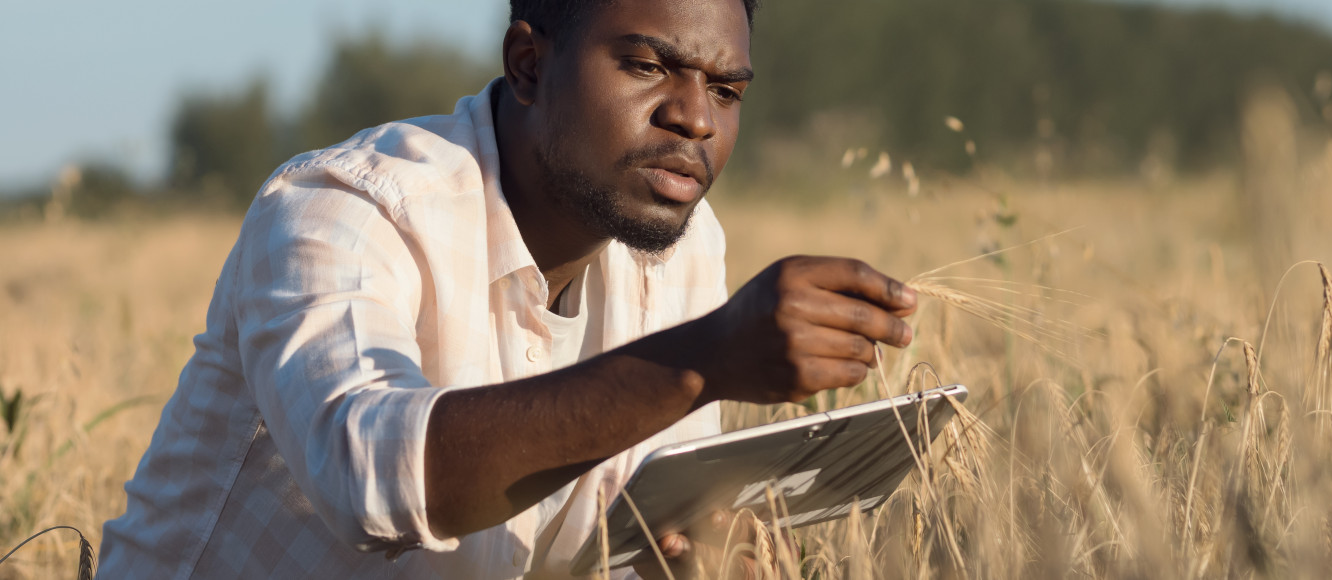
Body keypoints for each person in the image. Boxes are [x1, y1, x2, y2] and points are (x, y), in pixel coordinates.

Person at [98, 0, 917, 577]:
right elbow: (371, 478)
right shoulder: (344, 209)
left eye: (727, 90)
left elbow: (633, 535)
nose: (695, 119)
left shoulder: (686, 251)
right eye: (645, 66)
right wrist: (703, 360)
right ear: (528, 63)